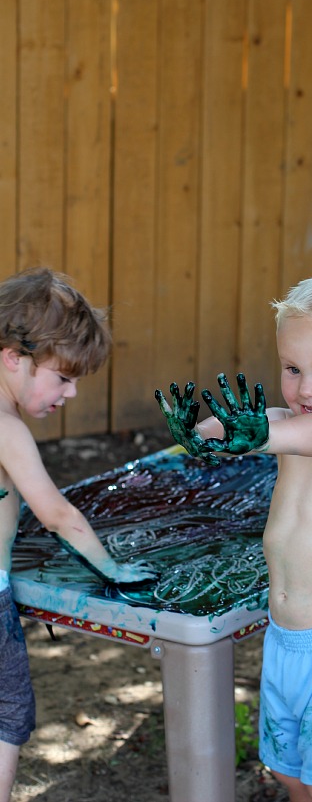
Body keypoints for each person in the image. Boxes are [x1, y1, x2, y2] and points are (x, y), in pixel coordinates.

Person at [156, 272, 312, 801]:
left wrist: (261, 435)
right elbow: (243, 426)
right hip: (284, 639)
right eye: (293, 369)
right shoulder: (288, 422)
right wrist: (200, 435)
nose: (306, 388)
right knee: (289, 773)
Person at [0, 267, 155, 802]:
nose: (70, 393)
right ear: (13, 358)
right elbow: (56, 514)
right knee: (5, 718)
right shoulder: (7, 429)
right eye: (63, 378)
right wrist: (113, 568)